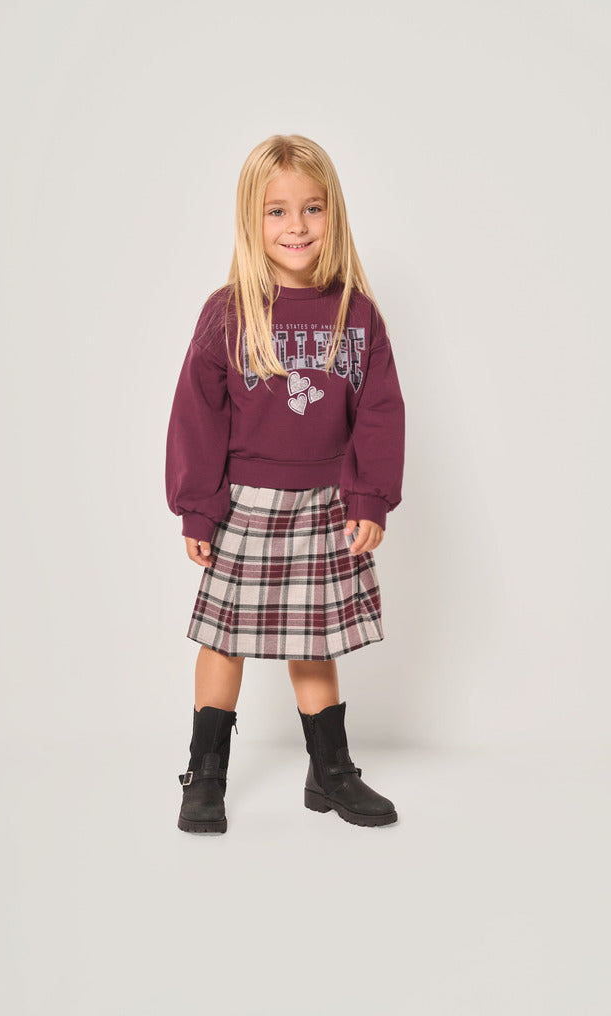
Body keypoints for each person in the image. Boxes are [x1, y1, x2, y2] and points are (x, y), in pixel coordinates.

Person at [165, 133, 405, 834]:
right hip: (245, 506)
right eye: (276, 211)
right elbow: (197, 415)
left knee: (314, 640)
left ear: (333, 214)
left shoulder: (357, 313)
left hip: (327, 504)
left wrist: (369, 497)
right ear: (252, 219)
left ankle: (330, 770)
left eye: (311, 208)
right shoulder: (228, 311)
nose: (296, 226)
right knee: (224, 639)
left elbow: (380, 413)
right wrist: (198, 508)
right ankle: (205, 773)